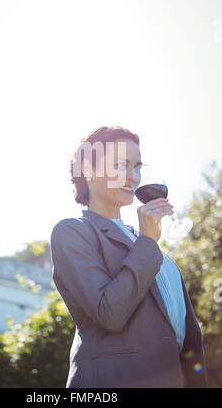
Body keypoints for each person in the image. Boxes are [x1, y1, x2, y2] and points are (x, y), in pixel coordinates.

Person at [50, 125, 208, 388]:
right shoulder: (72, 232)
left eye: (137, 167)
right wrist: (147, 240)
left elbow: (185, 336)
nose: (133, 177)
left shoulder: (154, 249)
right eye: (121, 165)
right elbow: (109, 314)